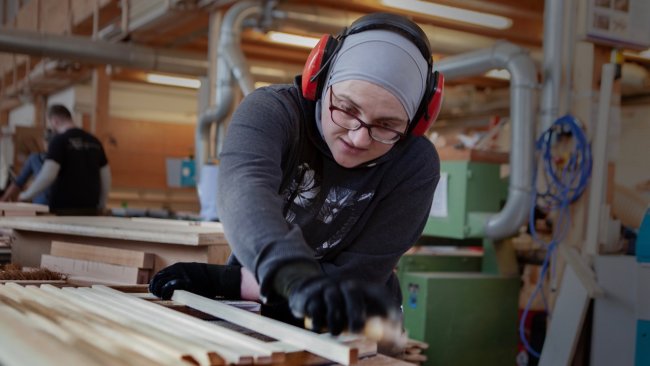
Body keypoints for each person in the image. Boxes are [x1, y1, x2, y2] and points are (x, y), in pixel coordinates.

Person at [150, 12, 443, 339]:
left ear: (416, 122)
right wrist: (289, 277)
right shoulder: (273, 114)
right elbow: (245, 195)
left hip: (351, 320)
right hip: (260, 301)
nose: (359, 137)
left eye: (387, 125)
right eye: (346, 109)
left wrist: (232, 281)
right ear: (319, 79)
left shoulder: (415, 164)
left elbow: (358, 276)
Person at [18, 104, 111, 215]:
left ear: (55, 120)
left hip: (64, 208)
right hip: (90, 207)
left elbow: (48, 174)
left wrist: (26, 195)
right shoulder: (95, 141)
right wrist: (102, 204)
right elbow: (106, 177)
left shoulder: (59, 141)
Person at [0, 133, 52, 205]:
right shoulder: (34, 158)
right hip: (43, 204)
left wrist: (4, 199)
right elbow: (19, 182)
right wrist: (4, 199)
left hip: (46, 204)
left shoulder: (34, 158)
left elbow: (18, 182)